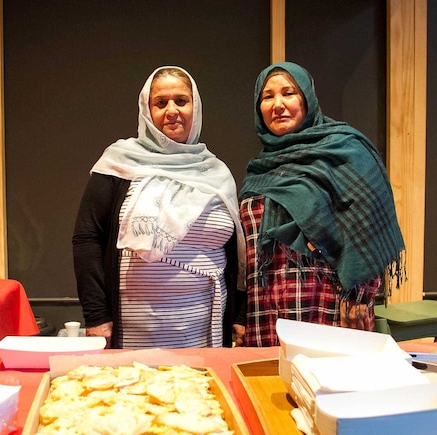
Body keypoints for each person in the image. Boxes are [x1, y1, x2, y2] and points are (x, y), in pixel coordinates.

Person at [72, 66, 245, 349]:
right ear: (146, 111)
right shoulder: (118, 164)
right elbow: (87, 238)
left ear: (195, 107)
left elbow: (237, 251)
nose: (172, 110)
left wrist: (240, 312)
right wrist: (96, 315)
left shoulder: (217, 172)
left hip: (204, 327)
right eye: (160, 103)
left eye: (181, 100)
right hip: (134, 330)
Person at [234, 61, 405, 347]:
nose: (278, 104)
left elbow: (368, 227)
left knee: (325, 387)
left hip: (327, 308)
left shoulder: (345, 150)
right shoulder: (259, 171)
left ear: (307, 98)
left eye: (289, 93)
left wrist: (359, 299)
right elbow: (249, 254)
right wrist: (241, 314)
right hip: (265, 313)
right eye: (268, 96)